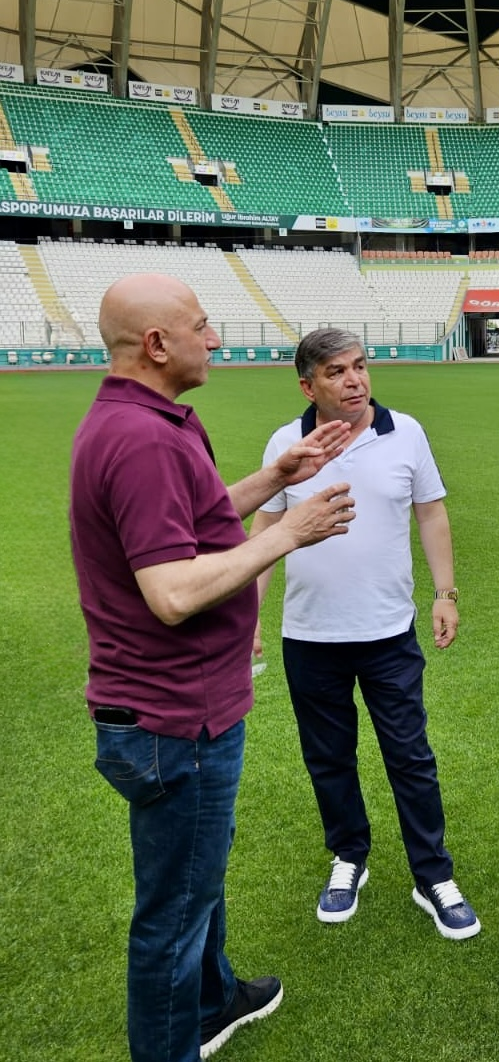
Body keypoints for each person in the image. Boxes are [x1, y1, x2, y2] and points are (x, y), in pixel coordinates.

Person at [69, 274, 356, 1062]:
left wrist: (274, 480)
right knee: (174, 912)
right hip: (174, 718)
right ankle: (177, 1037)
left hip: (175, 710)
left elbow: (182, 526)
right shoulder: (142, 438)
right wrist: (287, 531)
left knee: (198, 873)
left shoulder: (145, 420)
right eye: (201, 326)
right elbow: (171, 591)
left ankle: (212, 998)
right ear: (157, 344)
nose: (216, 339)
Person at [249, 328, 479, 940]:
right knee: (329, 759)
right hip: (309, 636)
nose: (354, 380)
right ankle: (349, 856)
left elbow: (430, 511)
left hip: (388, 633)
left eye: (359, 366)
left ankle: (433, 874)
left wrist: (445, 593)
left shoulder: (406, 433)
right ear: (308, 387)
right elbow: (264, 535)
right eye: (336, 372)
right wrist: (248, 616)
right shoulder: (287, 444)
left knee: (410, 756)